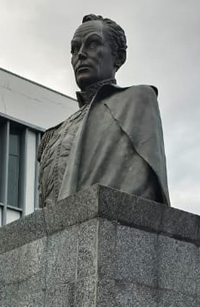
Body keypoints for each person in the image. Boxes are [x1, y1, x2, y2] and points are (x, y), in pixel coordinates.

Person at [38, 14, 169, 208]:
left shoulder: (137, 100)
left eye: (92, 44)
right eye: (74, 49)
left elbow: (144, 194)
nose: (80, 54)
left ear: (118, 57)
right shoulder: (53, 135)